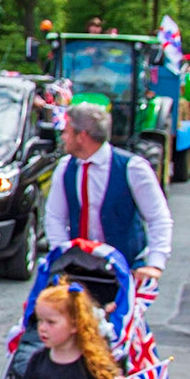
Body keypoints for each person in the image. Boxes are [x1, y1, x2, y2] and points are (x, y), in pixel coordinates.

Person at [42, 103, 171, 284]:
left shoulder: (133, 168)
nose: (62, 137)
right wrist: (62, 255)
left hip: (125, 270)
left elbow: (158, 217)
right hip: (80, 270)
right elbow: (55, 217)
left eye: (67, 131)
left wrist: (155, 264)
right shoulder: (65, 167)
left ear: (82, 136)